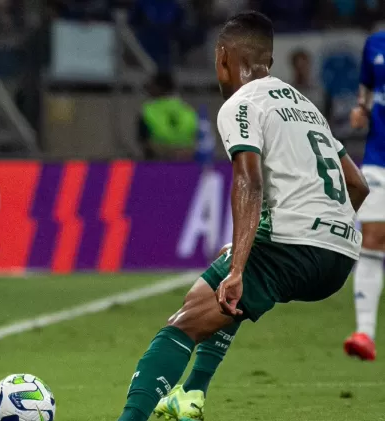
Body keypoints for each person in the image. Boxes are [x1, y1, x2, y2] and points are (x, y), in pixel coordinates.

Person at [117, 11, 370, 421]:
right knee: (220, 293)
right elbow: (356, 185)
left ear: (222, 57)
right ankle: (193, 393)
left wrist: (238, 264)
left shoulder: (241, 102)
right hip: (340, 254)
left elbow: (248, 180)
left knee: (184, 323)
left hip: (295, 245)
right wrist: (324, 229)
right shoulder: (305, 106)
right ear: (268, 61)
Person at [344, 30, 385, 362]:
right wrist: (361, 109)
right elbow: (367, 89)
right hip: (378, 158)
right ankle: (365, 333)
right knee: (371, 238)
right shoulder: (374, 43)